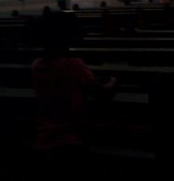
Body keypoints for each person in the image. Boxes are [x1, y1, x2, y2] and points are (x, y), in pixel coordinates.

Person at [31, 12, 117, 180]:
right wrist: (113, 82)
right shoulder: (74, 66)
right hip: (70, 141)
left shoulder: (36, 66)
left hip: (43, 137)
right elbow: (101, 92)